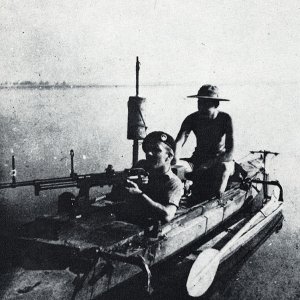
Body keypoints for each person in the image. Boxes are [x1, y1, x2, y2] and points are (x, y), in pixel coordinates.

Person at [174, 84, 234, 199]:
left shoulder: (225, 119)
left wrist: (208, 165)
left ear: (216, 104)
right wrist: (174, 160)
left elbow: (230, 153)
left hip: (220, 160)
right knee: (174, 168)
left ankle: (218, 200)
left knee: (225, 169)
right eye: (199, 102)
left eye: (206, 104)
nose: (201, 107)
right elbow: (179, 142)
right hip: (197, 159)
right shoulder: (191, 118)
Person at [121, 131, 184, 223]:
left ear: (169, 156)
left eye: (156, 150)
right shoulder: (141, 167)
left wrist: (139, 194)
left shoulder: (174, 183)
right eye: (147, 149)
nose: (149, 153)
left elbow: (167, 215)